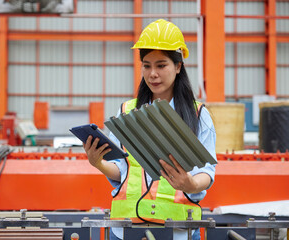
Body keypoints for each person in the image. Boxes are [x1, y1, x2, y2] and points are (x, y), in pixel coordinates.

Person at [83, 19, 216, 240]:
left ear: (178, 66)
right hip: (125, 230)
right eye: (147, 65)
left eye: (161, 65)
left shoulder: (198, 115)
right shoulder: (127, 111)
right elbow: (123, 170)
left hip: (177, 231)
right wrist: (99, 163)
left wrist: (190, 184)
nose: (152, 73)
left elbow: (207, 172)